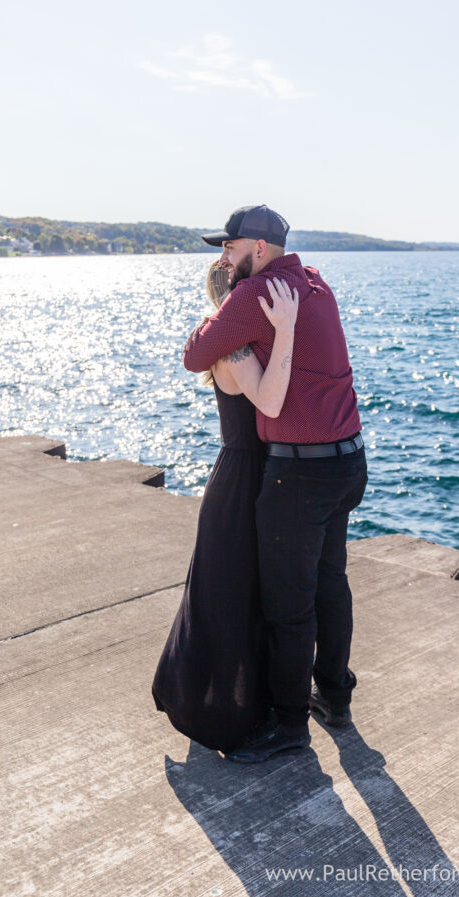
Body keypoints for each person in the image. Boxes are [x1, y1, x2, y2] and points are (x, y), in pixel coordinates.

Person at [183, 205, 367, 763]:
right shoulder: (315, 284)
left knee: (289, 604)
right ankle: (335, 697)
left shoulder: (256, 293)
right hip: (349, 461)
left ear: (257, 248)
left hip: (300, 470)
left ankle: (289, 725)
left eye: (230, 247)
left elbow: (195, 356)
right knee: (330, 583)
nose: (225, 257)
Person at [152, 261, 299, 753]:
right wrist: (285, 330)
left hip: (242, 474)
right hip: (242, 478)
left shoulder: (227, 342)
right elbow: (269, 402)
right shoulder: (234, 349)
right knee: (231, 597)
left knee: (234, 592)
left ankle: (242, 701)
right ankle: (220, 715)